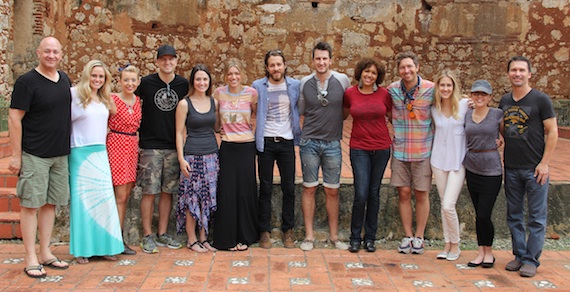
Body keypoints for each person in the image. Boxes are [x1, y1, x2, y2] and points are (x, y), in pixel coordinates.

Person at [9, 36, 71, 278]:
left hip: (59, 154)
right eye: (47, 51)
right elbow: (15, 118)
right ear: (38, 52)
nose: (51, 56)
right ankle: (30, 257)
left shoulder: (64, 79)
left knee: (50, 204)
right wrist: (16, 156)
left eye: (55, 51)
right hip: (35, 154)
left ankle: (45, 252)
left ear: (61, 54)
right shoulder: (27, 82)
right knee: (31, 205)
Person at [500, 56, 558, 277]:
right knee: (514, 214)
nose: (517, 74)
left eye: (522, 70)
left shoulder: (541, 100)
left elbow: (552, 131)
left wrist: (545, 163)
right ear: (508, 74)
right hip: (512, 167)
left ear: (529, 74)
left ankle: (532, 260)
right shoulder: (505, 100)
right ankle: (519, 255)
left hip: (535, 168)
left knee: (536, 216)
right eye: (513, 70)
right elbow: (504, 128)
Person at [68, 60, 124, 264]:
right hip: (79, 152)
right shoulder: (74, 94)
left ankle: (106, 247)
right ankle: (83, 249)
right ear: (87, 75)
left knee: (104, 201)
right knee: (82, 203)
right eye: (94, 76)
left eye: (101, 76)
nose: (97, 80)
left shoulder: (105, 98)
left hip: (100, 152)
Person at [298, 42, 350, 251]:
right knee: (309, 188)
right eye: (317, 59)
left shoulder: (342, 80)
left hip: (332, 143)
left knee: (332, 190)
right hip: (309, 142)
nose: (321, 62)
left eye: (324, 58)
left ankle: (334, 236)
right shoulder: (304, 82)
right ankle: (309, 236)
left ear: (330, 60)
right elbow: (302, 109)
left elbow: (346, 108)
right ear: (312, 60)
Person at [137, 45, 187, 253]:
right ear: (157, 62)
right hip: (150, 146)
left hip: (173, 147)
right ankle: (147, 235)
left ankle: (162, 233)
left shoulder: (183, 84)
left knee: (168, 192)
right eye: (163, 59)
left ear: (176, 61)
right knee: (149, 191)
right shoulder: (146, 83)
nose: (167, 63)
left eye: (171, 59)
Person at [252, 50, 302, 249]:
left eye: (279, 64)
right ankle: (264, 230)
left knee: (288, 187)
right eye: (272, 65)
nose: (276, 68)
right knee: (265, 187)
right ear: (267, 67)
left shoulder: (295, 86)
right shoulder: (257, 86)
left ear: (284, 65)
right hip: (266, 142)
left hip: (287, 141)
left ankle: (287, 230)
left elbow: (300, 108)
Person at [386, 51, 434, 255]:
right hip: (400, 151)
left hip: (423, 150)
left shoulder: (431, 89)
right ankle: (407, 235)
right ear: (398, 70)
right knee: (403, 193)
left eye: (409, 66)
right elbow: (386, 111)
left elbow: (452, 101)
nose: (406, 71)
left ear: (417, 67)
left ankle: (419, 237)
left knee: (422, 193)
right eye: (402, 67)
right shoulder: (392, 90)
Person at [343, 58, 392, 253]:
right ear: (360, 73)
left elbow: (390, 114)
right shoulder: (350, 94)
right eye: (366, 72)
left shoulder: (384, 94)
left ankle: (370, 238)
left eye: (373, 73)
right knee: (361, 193)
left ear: (377, 76)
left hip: (381, 147)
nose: (369, 75)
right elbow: (345, 113)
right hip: (359, 148)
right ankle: (355, 237)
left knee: (374, 193)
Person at [212, 60, 259, 251]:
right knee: (227, 192)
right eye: (230, 74)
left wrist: (252, 131)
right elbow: (215, 121)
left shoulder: (251, 94)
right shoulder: (219, 93)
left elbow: (256, 115)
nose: (233, 77)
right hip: (228, 147)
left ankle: (245, 237)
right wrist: (219, 129)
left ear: (242, 75)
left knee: (245, 192)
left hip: (247, 146)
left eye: (237, 74)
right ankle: (227, 239)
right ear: (225, 76)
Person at [175, 64, 219, 253]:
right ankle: (191, 239)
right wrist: (181, 158)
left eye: (205, 79)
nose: (202, 82)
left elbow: (216, 127)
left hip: (211, 154)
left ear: (209, 82)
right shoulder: (185, 104)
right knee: (191, 198)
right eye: (198, 79)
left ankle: (204, 237)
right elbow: (178, 133)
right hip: (192, 155)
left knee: (208, 197)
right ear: (193, 81)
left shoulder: (213, 102)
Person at [463, 80, 503, 268]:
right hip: (472, 167)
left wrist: (500, 142)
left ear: (489, 97)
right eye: (476, 94)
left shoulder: (497, 114)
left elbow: (505, 135)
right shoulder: (467, 114)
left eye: (484, 94)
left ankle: (490, 251)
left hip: (491, 169)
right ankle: (481, 252)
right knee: (478, 212)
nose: (480, 97)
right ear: (471, 96)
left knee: (484, 213)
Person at [430, 70, 468, 261]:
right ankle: (447, 244)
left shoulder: (464, 106)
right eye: (442, 85)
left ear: (454, 87)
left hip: (458, 163)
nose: (445, 89)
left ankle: (456, 244)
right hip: (438, 161)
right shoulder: (433, 108)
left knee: (448, 205)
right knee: (444, 204)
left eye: (448, 85)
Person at [107, 65, 142, 255]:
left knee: (126, 194)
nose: (129, 83)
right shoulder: (112, 100)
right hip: (117, 145)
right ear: (120, 81)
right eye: (126, 80)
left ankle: (117, 238)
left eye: (133, 80)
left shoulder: (137, 101)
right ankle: (115, 239)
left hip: (131, 145)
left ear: (138, 81)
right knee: (119, 197)